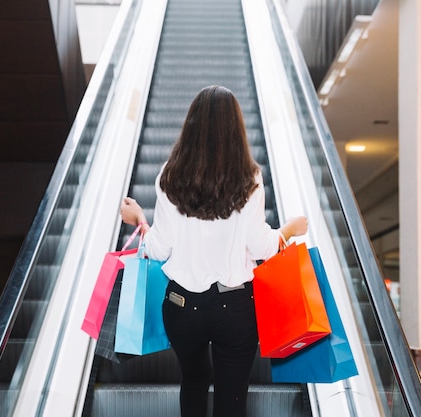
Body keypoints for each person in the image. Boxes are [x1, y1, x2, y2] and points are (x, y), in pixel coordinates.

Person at [120, 85, 308, 417]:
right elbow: (261, 247)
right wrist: (290, 229)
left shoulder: (170, 176)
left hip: (182, 306)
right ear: (236, 128)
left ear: (191, 125)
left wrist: (140, 221)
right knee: (232, 397)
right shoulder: (250, 178)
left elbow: (160, 248)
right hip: (236, 307)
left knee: (192, 381)